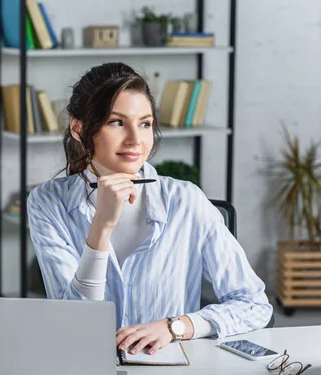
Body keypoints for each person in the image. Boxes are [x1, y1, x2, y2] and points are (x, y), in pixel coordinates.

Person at [27, 62, 272, 356]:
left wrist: (176, 327)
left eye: (144, 123)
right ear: (79, 129)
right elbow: (73, 323)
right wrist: (101, 227)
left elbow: (254, 305)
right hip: (84, 367)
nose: (135, 139)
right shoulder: (47, 202)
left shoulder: (187, 201)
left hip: (172, 374)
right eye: (116, 122)